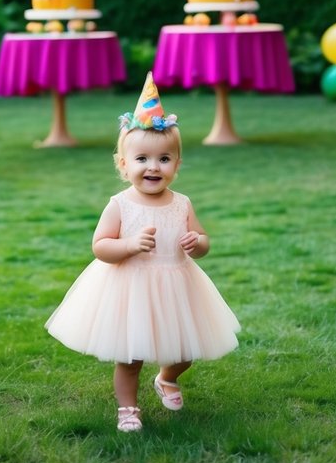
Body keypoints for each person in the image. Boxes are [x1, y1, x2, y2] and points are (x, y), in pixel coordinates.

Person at [46, 71, 240, 432]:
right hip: (130, 289)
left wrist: (196, 243)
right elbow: (101, 246)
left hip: (177, 287)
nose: (153, 167)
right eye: (142, 159)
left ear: (177, 166)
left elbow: (203, 241)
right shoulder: (120, 205)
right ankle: (128, 408)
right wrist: (130, 245)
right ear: (124, 164)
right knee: (131, 356)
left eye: (164, 159)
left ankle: (168, 376)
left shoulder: (182, 204)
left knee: (185, 351)